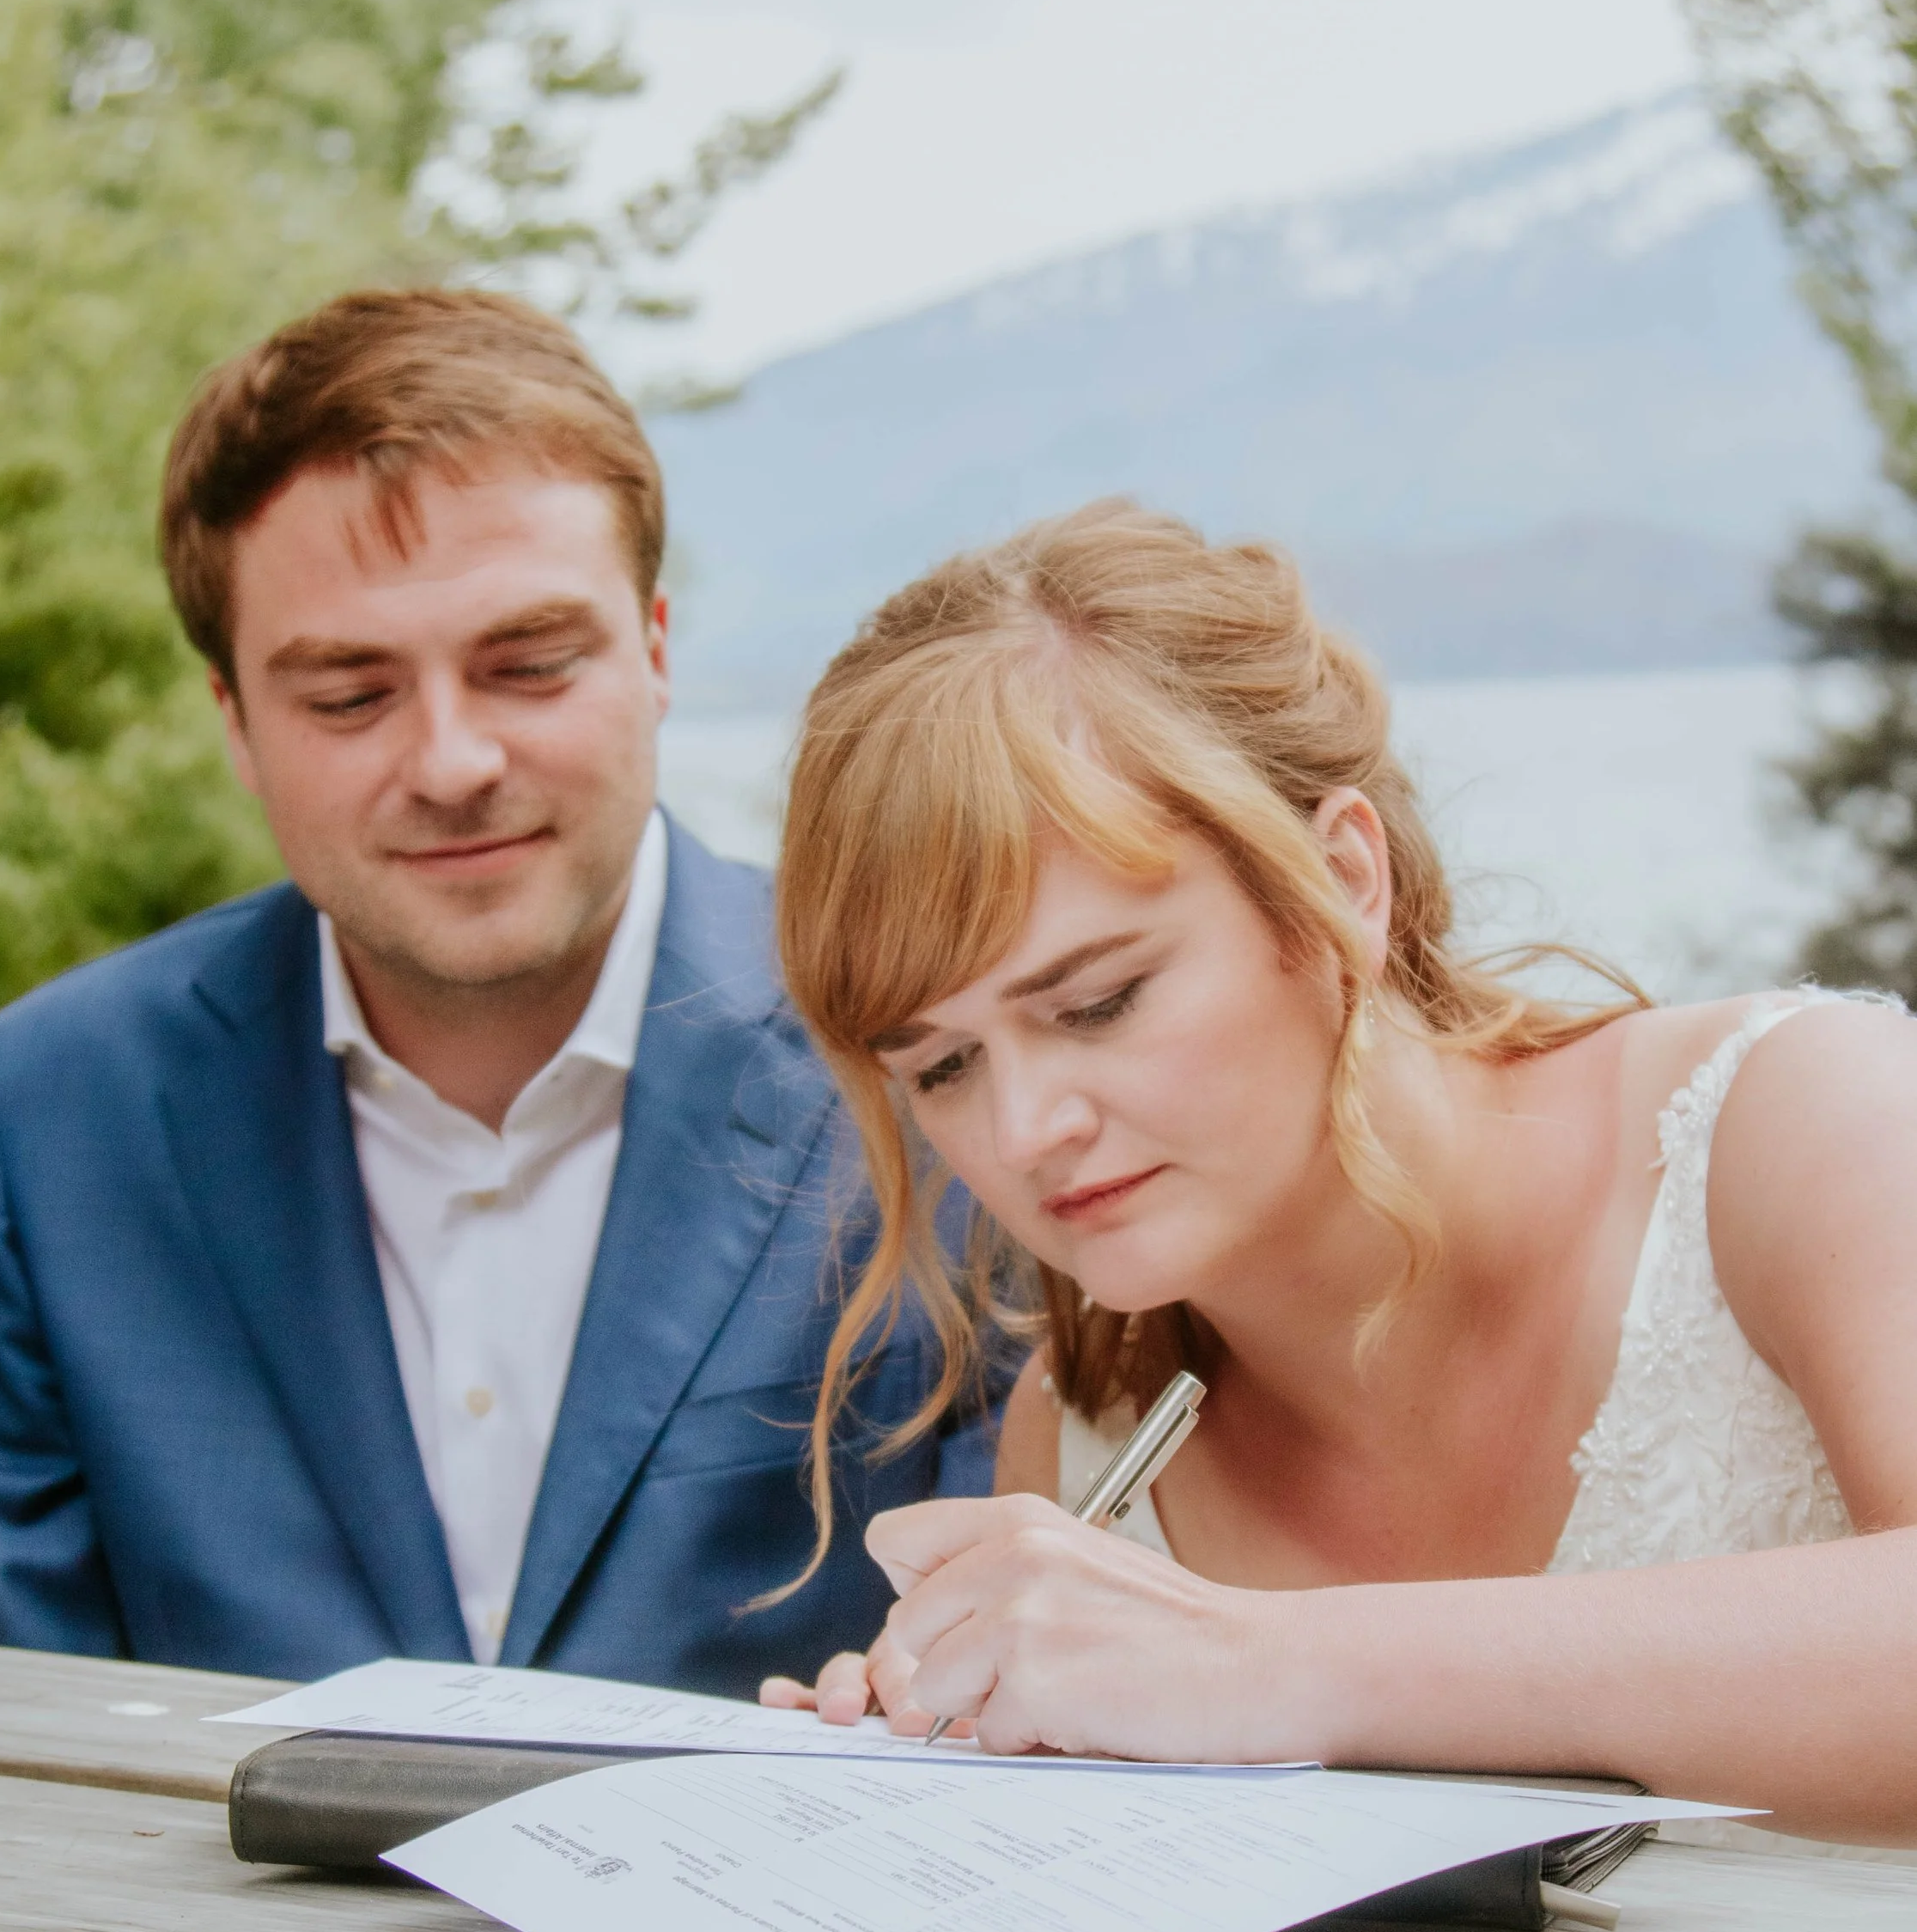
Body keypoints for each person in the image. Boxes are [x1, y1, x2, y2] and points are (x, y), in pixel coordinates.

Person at [758, 501, 1917, 1844]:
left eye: (1098, 1003)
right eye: (942, 1067)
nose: (1022, 1131)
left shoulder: (1802, 1127)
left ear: (1344, 880)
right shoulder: (1077, 1433)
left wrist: (1259, 1665)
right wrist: (936, 1780)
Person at [0, 288, 997, 1685]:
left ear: (655, 651)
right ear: (235, 724)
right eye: (350, 696)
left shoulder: (933, 1054)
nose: (453, 760)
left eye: (528, 665)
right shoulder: (53, 1114)